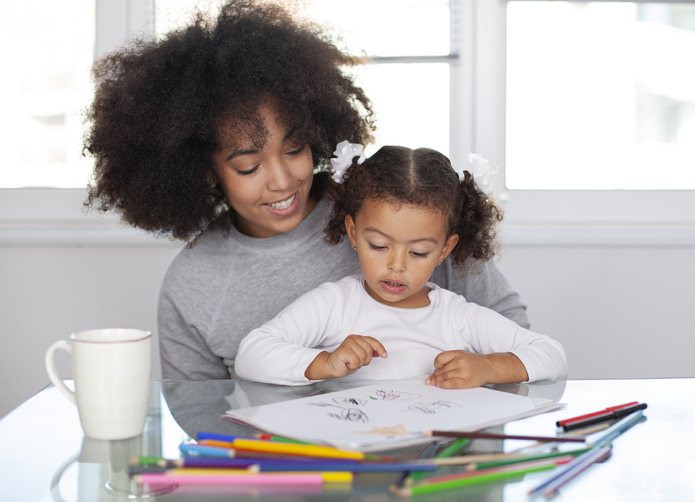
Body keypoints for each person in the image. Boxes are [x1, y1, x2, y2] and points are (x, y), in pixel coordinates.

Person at [83, 0, 531, 380]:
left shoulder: (393, 211)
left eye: (294, 149)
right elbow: (199, 417)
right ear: (203, 170)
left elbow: (509, 326)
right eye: (249, 165)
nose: (282, 180)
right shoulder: (192, 286)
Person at [235, 144, 568, 388]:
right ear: (353, 232)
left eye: (419, 252)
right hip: (353, 463)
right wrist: (326, 363)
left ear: (445, 249)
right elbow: (251, 354)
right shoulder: (334, 304)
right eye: (379, 246)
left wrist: (489, 367)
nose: (396, 266)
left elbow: (551, 355)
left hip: (431, 465)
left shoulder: (456, 317)